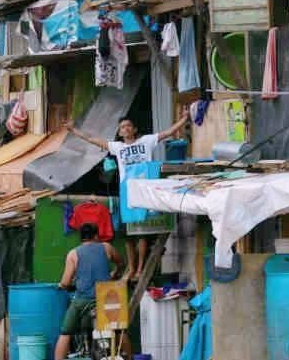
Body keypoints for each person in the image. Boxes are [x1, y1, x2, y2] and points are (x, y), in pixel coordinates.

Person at [73, 112, 191, 282]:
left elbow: (168, 132)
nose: (125, 128)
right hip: (127, 191)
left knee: (142, 231)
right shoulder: (117, 147)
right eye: (122, 127)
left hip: (144, 189)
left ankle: (141, 269)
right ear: (119, 132)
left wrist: (184, 119)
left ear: (134, 129)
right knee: (128, 233)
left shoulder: (146, 141)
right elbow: (92, 139)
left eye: (128, 125)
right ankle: (132, 267)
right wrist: (73, 130)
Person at [54, 223, 121, 360]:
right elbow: (121, 263)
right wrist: (114, 273)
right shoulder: (106, 247)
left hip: (83, 300)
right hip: (106, 298)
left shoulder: (73, 253)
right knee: (119, 331)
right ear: (96, 236)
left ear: (81, 237)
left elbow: (66, 282)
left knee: (66, 332)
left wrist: (62, 285)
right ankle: (130, 357)